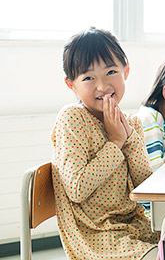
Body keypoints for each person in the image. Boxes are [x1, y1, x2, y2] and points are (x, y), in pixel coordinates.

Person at [52, 27, 159, 260]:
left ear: (125, 71)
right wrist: (116, 142)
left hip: (137, 226)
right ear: (71, 84)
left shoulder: (130, 122)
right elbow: (78, 188)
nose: (102, 86)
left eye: (111, 71)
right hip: (97, 237)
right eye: (88, 77)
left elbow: (145, 189)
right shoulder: (72, 118)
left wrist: (128, 137)